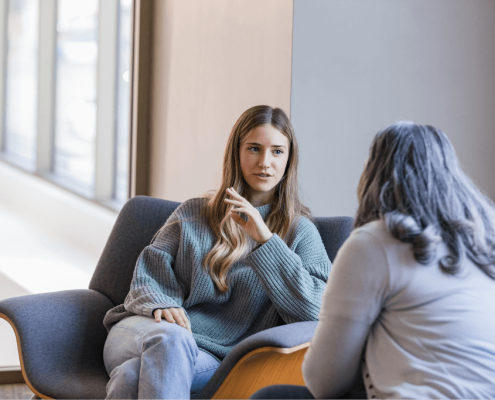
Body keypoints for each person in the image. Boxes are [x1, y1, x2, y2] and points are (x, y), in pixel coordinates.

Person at [251, 121, 495, 400]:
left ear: (375, 174)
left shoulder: (375, 241)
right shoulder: (483, 240)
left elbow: (323, 382)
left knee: (270, 397)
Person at [101, 105, 331, 400]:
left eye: (277, 151)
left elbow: (316, 311)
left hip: (214, 357)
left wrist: (265, 240)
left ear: (289, 160)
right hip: (144, 329)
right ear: (236, 153)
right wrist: (161, 303)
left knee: (132, 376)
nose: (264, 162)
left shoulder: (301, 232)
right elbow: (150, 271)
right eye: (254, 148)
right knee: (171, 340)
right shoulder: (194, 213)